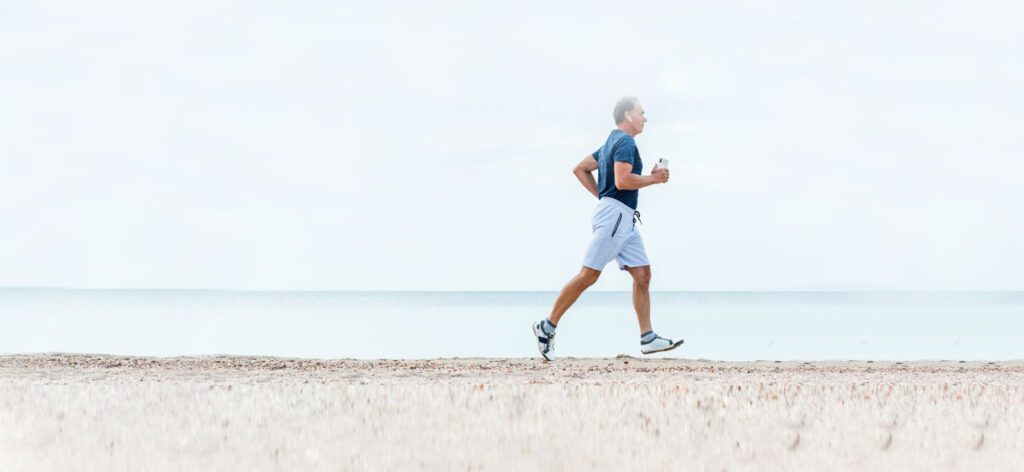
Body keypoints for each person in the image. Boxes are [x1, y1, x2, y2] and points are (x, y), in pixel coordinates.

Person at [532, 96, 683, 361]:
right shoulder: (624, 142)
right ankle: (547, 326)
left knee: (642, 274)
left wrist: (603, 195)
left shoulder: (610, 143)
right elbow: (622, 181)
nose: (645, 118)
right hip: (615, 217)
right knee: (588, 275)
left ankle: (647, 338)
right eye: (641, 113)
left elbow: (581, 169)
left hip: (622, 218)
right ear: (627, 116)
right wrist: (653, 179)